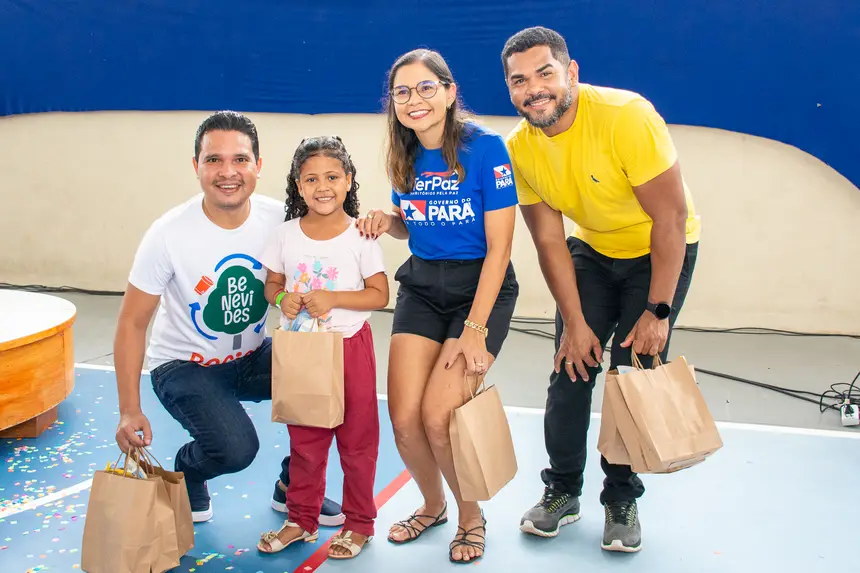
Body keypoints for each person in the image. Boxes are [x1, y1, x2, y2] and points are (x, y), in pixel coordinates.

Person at [500, 27, 701, 553]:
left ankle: (620, 498)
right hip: (593, 250)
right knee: (571, 369)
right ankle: (562, 491)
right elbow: (549, 241)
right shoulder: (519, 148)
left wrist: (659, 310)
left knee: (629, 377)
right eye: (519, 80)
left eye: (545, 73)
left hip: (658, 251)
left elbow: (671, 220)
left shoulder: (625, 116)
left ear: (571, 72)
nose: (534, 89)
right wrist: (574, 323)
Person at [112, 110, 344, 527]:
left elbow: (335, 233)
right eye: (213, 160)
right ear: (196, 166)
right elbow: (131, 324)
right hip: (184, 367)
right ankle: (188, 470)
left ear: (258, 165)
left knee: (335, 381)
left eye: (239, 159)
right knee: (235, 450)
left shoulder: (280, 219)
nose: (227, 172)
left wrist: (380, 225)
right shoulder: (168, 234)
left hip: (252, 357)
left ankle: (294, 485)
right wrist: (129, 410)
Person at [355, 48, 520, 564]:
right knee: (404, 420)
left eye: (426, 87)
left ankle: (471, 516)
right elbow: (411, 224)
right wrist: (387, 221)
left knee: (438, 416)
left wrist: (476, 328)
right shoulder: (403, 154)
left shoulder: (486, 149)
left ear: (449, 92)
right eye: (402, 92)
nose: (414, 100)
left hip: (480, 288)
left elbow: (501, 250)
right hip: (423, 286)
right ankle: (432, 505)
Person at [255, 135, 389, 559]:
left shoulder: (360, 235)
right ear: (298, 185)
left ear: (348, 180)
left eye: (332, 177)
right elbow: (271, 285)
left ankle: (359, 524)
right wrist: (281, 298)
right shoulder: (284, 234)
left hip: (350, 349)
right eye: (311, 179)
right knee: (306, 442)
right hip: (303, 352)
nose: (322, 186)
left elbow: (379, 294)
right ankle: (301, 520)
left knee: (357, 441)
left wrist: (333, 298)